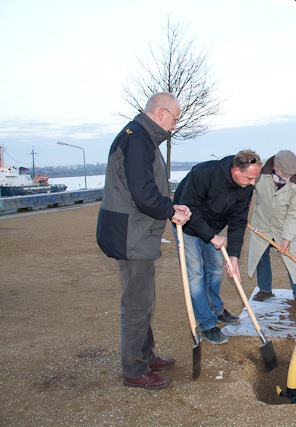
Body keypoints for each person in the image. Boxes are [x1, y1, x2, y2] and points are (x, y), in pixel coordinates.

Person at [96, 92, 192, 390]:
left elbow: (147, 187)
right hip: (130, 234)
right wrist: (170, 210)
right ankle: (134, 370)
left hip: (133, 230)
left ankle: (145, 355)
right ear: (161, 113)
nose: (174, 126)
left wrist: (170, 205)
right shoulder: (137, 139)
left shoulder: (139, 135)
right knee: (137, 302)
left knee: (143, 298)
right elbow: (142, 193)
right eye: (174, 119)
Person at [172, 150, 262, 345]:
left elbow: (238, 221)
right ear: (236, 170)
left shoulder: (246, 187)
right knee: (195, 275)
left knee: (214, 270)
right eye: (249, 178)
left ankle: (215, 309)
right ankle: (207, 324)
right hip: (187, 225)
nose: (253, 183)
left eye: (255, 178)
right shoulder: (205, 173)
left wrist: (234, 256)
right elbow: (189, 208)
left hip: (213, 226)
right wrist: (212, 237)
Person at [247, 150, 296, 308]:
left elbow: (295, 213)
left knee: (294, 258)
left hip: (285, 223)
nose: (289, 177)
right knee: (260, 256)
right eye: (286, 174)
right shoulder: (259, 170)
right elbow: (245, 188)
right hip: (263, 221)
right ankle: (265, 289)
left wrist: (287, 238)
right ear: (276, 167)